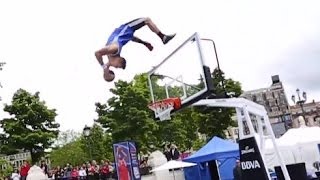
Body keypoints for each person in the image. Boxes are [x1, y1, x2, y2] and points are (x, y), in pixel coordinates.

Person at [95, 17, 176, 82]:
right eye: (117, 67)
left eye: (117, 66)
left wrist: (104, 67)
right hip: (128, 32)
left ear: (118, 59)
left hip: (127, 27)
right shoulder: (111, 60)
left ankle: (163, 37)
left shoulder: (113, 49)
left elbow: (97, 53)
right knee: (145, 21)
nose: (115, 67)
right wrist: (144, 43)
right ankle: (163, 37)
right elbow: (131, 38)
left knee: (147, 20)